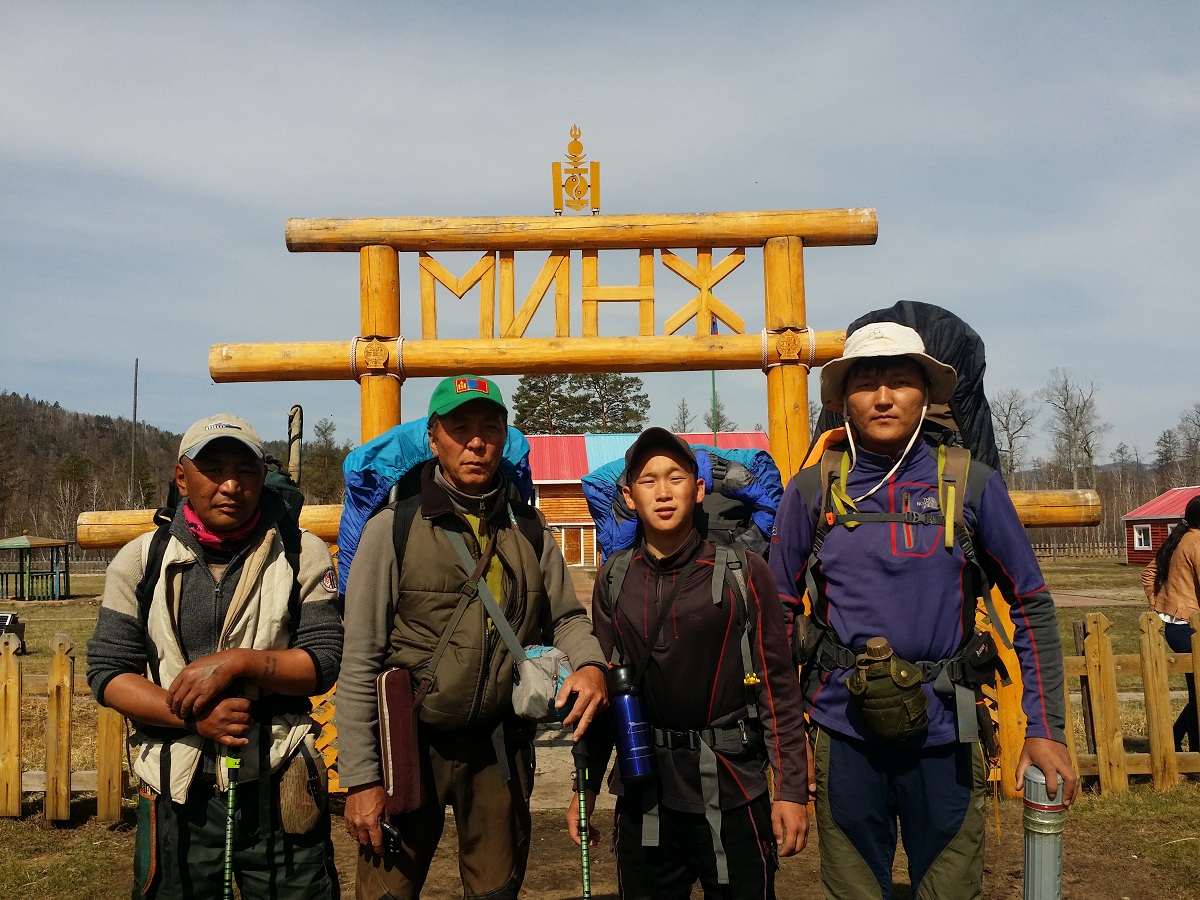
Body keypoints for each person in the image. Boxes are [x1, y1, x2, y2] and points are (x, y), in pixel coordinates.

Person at [769, 322, 1078, 899]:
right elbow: (774, 625)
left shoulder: (971, 485)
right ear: (844, 399)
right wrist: (789, 753)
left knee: (949, 890)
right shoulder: (810, 493)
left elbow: (1030, 603)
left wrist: (1045, 728)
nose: (884, 397)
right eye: (866, 383)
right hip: (843, 732)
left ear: (926, 394)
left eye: (900, 381)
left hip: (946, 736)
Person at [338, 374, 609, 900]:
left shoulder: (530, 529)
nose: (476, 441)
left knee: (496, 892)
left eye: (490, 427)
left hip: (498, 747)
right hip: (408, 745)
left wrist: (591, 665)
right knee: (386, 894)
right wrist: (361, 779)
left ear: (505, 436)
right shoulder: (392, 529)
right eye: (460, 428)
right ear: (434, 438)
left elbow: (567, 618)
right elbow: (360, 662)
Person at [86, 414, 344, 899]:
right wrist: (192, 718)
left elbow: (323, 660)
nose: (230, 485)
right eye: (213, 469)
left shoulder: (301, 553)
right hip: (175, 792)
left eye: (245, 470)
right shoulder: (140, 561)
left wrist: (240, 663)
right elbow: (108, 673)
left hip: (279, 782)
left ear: (262, 475)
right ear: (182, 477)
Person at [570, 427, 809, 900]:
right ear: (629, 496)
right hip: (644, 789)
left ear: (698, 489)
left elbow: (777, 687)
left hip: (734, 787)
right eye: (648, 480)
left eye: (675, 478)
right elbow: (605, 690)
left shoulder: (746, 571)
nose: (663, 492)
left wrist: (790, 790)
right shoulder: (614, 578)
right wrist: (585, 786)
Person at [1142, 495, 1200, 751]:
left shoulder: (1180, 539)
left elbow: (1148, 573)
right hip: (1190, 626)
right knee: (1198, 693)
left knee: (1197, 692)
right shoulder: (1196, 542)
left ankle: (1183, 743)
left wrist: (1161, 605)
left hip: (1177, 626)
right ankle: (1181, 742)